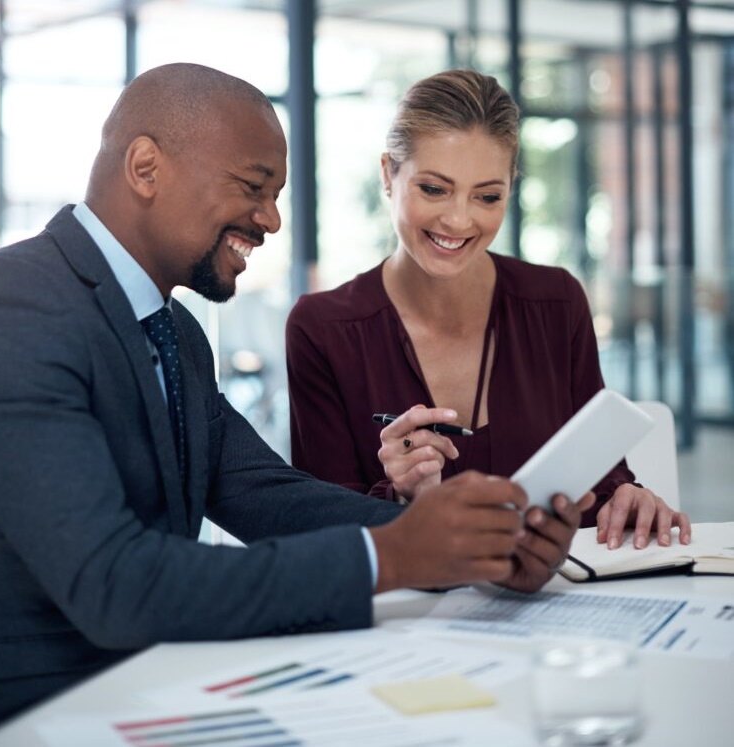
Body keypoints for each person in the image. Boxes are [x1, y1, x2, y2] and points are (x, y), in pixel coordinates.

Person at [0, 63, 591, 729]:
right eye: (253, 187)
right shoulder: (14, 307)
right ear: (145, 167)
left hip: (158, 693)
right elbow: (115, 583)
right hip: (42, 715)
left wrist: (471, 543)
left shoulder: (175, 333)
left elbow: (266, 493)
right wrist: (391, 556)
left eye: (274, 194)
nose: (271, 219)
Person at [286, 69, 691, 551]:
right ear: (388, 175)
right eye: (434, 189)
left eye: (487, 196)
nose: (459, 219)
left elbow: (598, 473)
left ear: (510, 189)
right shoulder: (323, 329)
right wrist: (403, 498)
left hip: (553, 608)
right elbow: (321, 533)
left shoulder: (556, 302)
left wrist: (626, 496)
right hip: (406, 617)